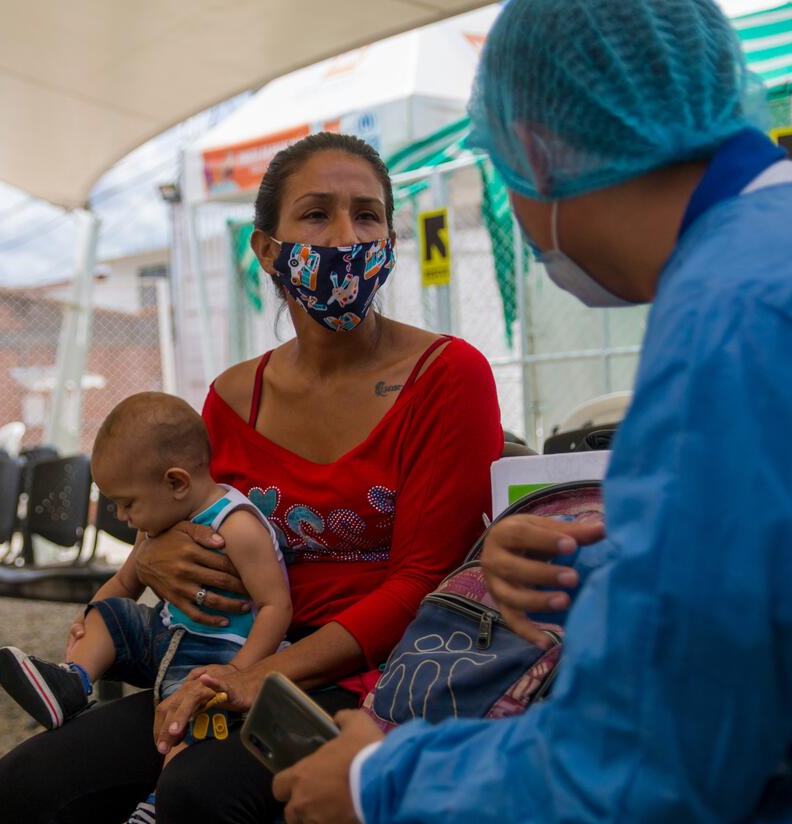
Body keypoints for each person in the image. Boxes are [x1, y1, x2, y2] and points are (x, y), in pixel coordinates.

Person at [272, 2, 792, 821]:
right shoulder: (761, 255)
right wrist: (597, 575)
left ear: (538, 152)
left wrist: (381, 783)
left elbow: (653, 766)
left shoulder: (729, 320)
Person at [0, 132, 503, 823]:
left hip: (377, 678)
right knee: (24, 789)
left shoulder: (449, 376)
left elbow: (421, 581)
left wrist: (262, 675)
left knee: (200, 793)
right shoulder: (233, 399)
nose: (346, 237)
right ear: (266, 250)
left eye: (368, 215)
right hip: (234, 655)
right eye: (317, 214)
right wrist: (156, 556)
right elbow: (193, 517)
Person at [0, 392, 291, 823]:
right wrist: (88, 618)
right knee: (112, 613)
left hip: (219, 655)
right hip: (169, 637)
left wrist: (239, 673)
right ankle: (72, 683)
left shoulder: (238, 526)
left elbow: (276, 606)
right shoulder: (157, 522)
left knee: (187, 725)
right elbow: (125, 583)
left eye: (126, 503)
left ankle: (155, 806)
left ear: (176, 483)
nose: (121, 514)